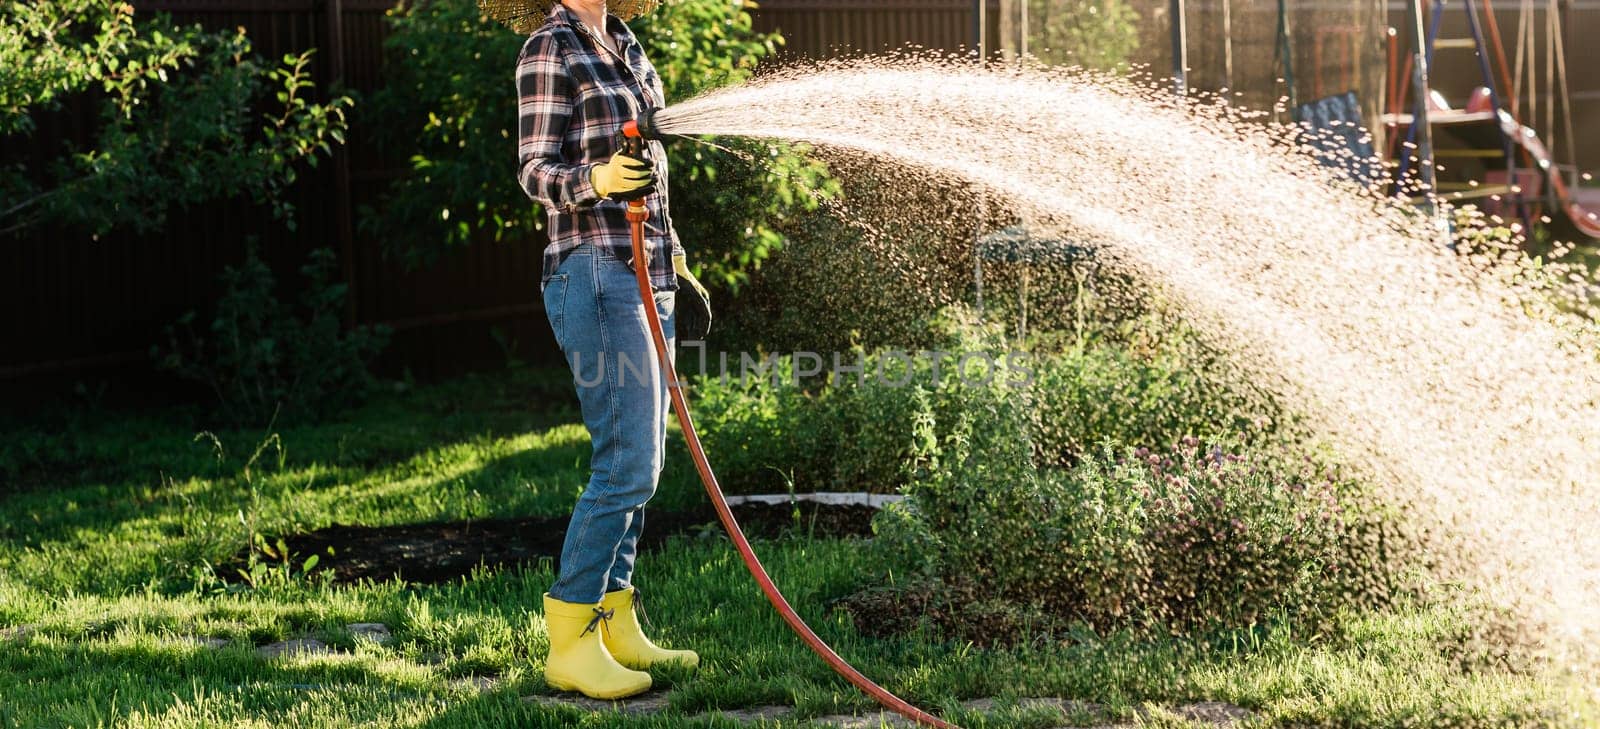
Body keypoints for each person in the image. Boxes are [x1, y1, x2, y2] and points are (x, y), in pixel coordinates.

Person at [513, 0, 701, 700]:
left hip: (648, 272)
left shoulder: (622, 41)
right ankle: (568, 636)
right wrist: (594, 181)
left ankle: (615, 620)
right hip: (593, 270)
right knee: (627, 462)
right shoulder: (549, 48)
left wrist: (677, 261)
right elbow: (534, 170)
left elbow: (650, 162)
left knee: (643, 452)